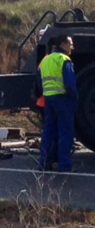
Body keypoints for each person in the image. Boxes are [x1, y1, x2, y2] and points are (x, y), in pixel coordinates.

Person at [38, 34, 77, 172]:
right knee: (65, 132)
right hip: (63, 99)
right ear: (63, 45)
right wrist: (74, 98)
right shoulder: (64, 60)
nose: (72, 47)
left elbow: (39, 83)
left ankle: (44, 162)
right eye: (70, 44)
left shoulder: (45, 60)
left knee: (48, 131)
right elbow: (70, 84)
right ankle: (64, 164)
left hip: (48, 99)